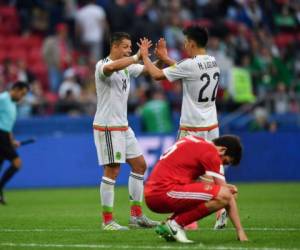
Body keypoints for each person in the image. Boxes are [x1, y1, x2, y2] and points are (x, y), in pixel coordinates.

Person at [139, 26, 227, 229]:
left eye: (186, 42)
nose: (184, 45)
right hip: (211, 125)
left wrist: (145, 57)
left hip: (191, 127)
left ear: (193, 43)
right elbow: (187, 71)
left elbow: (157, 75)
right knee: (214, 170)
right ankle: (221, 209)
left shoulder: (189, 65)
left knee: (183, 174)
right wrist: (168, 58)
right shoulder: (213, 61)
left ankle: (188, 221)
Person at [93, 32, 159, 230]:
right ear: (114, 47)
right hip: (108, 126)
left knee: (140, 166)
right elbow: (111, 68)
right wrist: (137, 56)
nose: (129, 50)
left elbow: (148, 71)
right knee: (112, 170)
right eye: (125, 47)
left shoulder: (127, 66)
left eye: (130, 47)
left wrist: (159, 59)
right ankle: (107, 221)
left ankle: (136, 216)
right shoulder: (102, 65)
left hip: (123, 126)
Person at [145, 135, 249, 243]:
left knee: (221, 192)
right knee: (224, 195)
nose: (221, 164)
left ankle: (169, 225)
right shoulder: (211, 152)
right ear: (223, 150)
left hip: (155, 191)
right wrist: (240, 230)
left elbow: (198, 182)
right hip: (164, 191)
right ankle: (175, 224)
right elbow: (225, 195)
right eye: (225, 162)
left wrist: (224, 188)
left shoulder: (196, 141)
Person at [0, 81, 30, 204]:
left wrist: (12, 141)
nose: (22, 97)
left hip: (5, 136)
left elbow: (8, 125)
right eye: (22, 94)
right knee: (17, 163)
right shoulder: (2, 98)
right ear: (16, 89)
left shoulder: (13, 104)